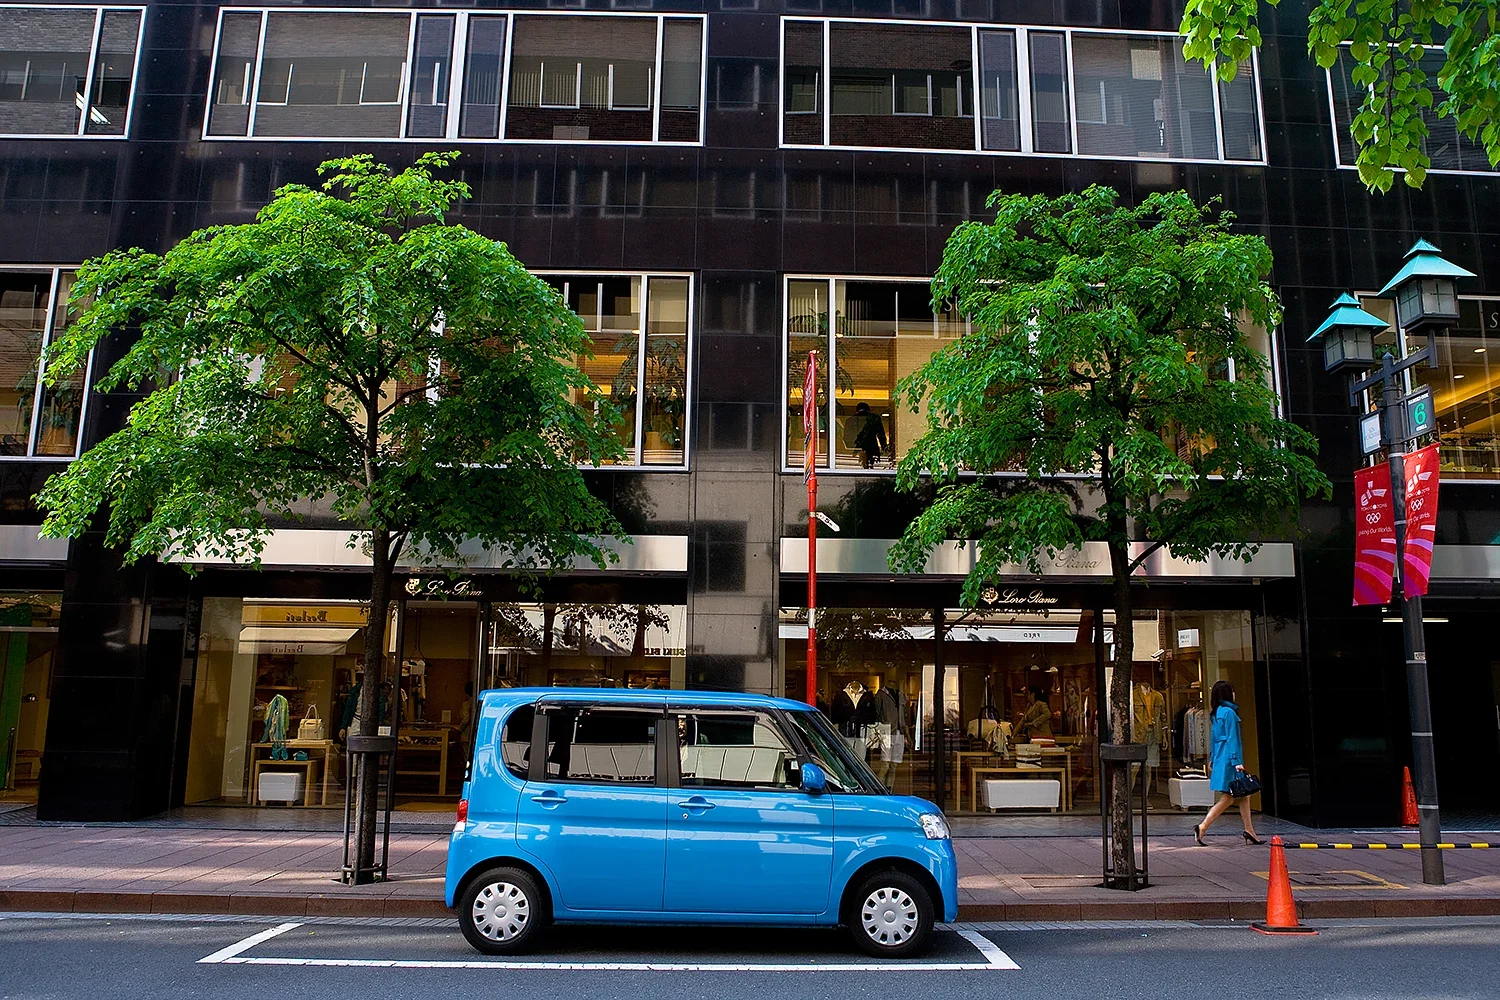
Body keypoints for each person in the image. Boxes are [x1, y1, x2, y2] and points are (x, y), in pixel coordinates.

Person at [1193, 680, 1264, 845]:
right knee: (1229, 797)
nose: (1234, 693)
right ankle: (1203, 826)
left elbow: (1214, 737)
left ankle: (1250, 830)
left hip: (1221, 756)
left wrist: (1212, 758)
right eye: (1232, 691)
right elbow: (1232, 738)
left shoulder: (1217, 712)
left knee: (1243, 794)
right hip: (1230, 758)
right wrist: (1237, 761)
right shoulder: (1230, 713)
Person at [853, 402, 887, 469]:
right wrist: (884, 448)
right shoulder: (875, 418)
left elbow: (847, 437)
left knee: (857, 468)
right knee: (871, 467)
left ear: (857, 410)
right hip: (872, 447)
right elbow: (881, 435)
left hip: (857, 448)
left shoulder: (850, 420)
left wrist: (851, 448)